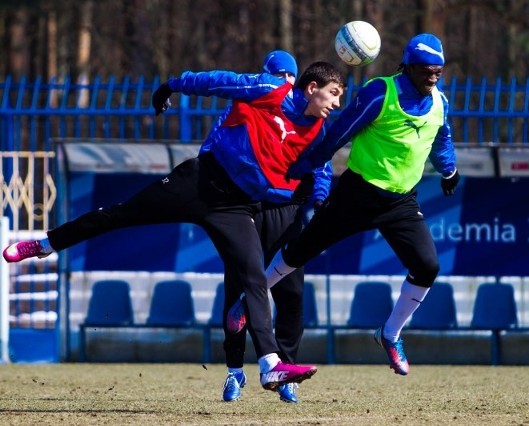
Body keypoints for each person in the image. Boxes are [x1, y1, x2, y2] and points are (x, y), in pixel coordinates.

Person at [3, 60, 346, 391]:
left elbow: (322, 168)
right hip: (198, 183)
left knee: (254, 277)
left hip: (236, 208)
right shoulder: (271, 90)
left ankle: (270, 366)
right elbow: (218, 81)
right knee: (122, 214)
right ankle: (45, 244)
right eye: (334, 93)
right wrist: (173, 85)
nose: (337, 102)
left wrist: (319, 200)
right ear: (312, 88)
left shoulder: (317, 132)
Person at [229, 33, 459, 376]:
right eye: (427, 70)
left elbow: (442, 140)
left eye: (438, 71)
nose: (433, 76)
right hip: (357, 194)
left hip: (401, 203)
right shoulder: (380, 92)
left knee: (428, 267)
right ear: (409, 67)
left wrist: (449, 170)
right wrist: (302, 167)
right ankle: (250, 298)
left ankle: (390, 333)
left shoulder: (439, 101)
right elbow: (338, 134)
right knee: (301, 250)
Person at [221, 51, 332, 403]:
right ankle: (234, 372)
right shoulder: (252, 104)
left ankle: (287, 372)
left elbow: (322, 165)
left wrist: (319, 198)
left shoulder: (311, 119)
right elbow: (224, 145)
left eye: (288, 76)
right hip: (246, 211)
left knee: (291, 295)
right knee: (238, 292)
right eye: (277, 75)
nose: (283, 81)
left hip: (288, 214)